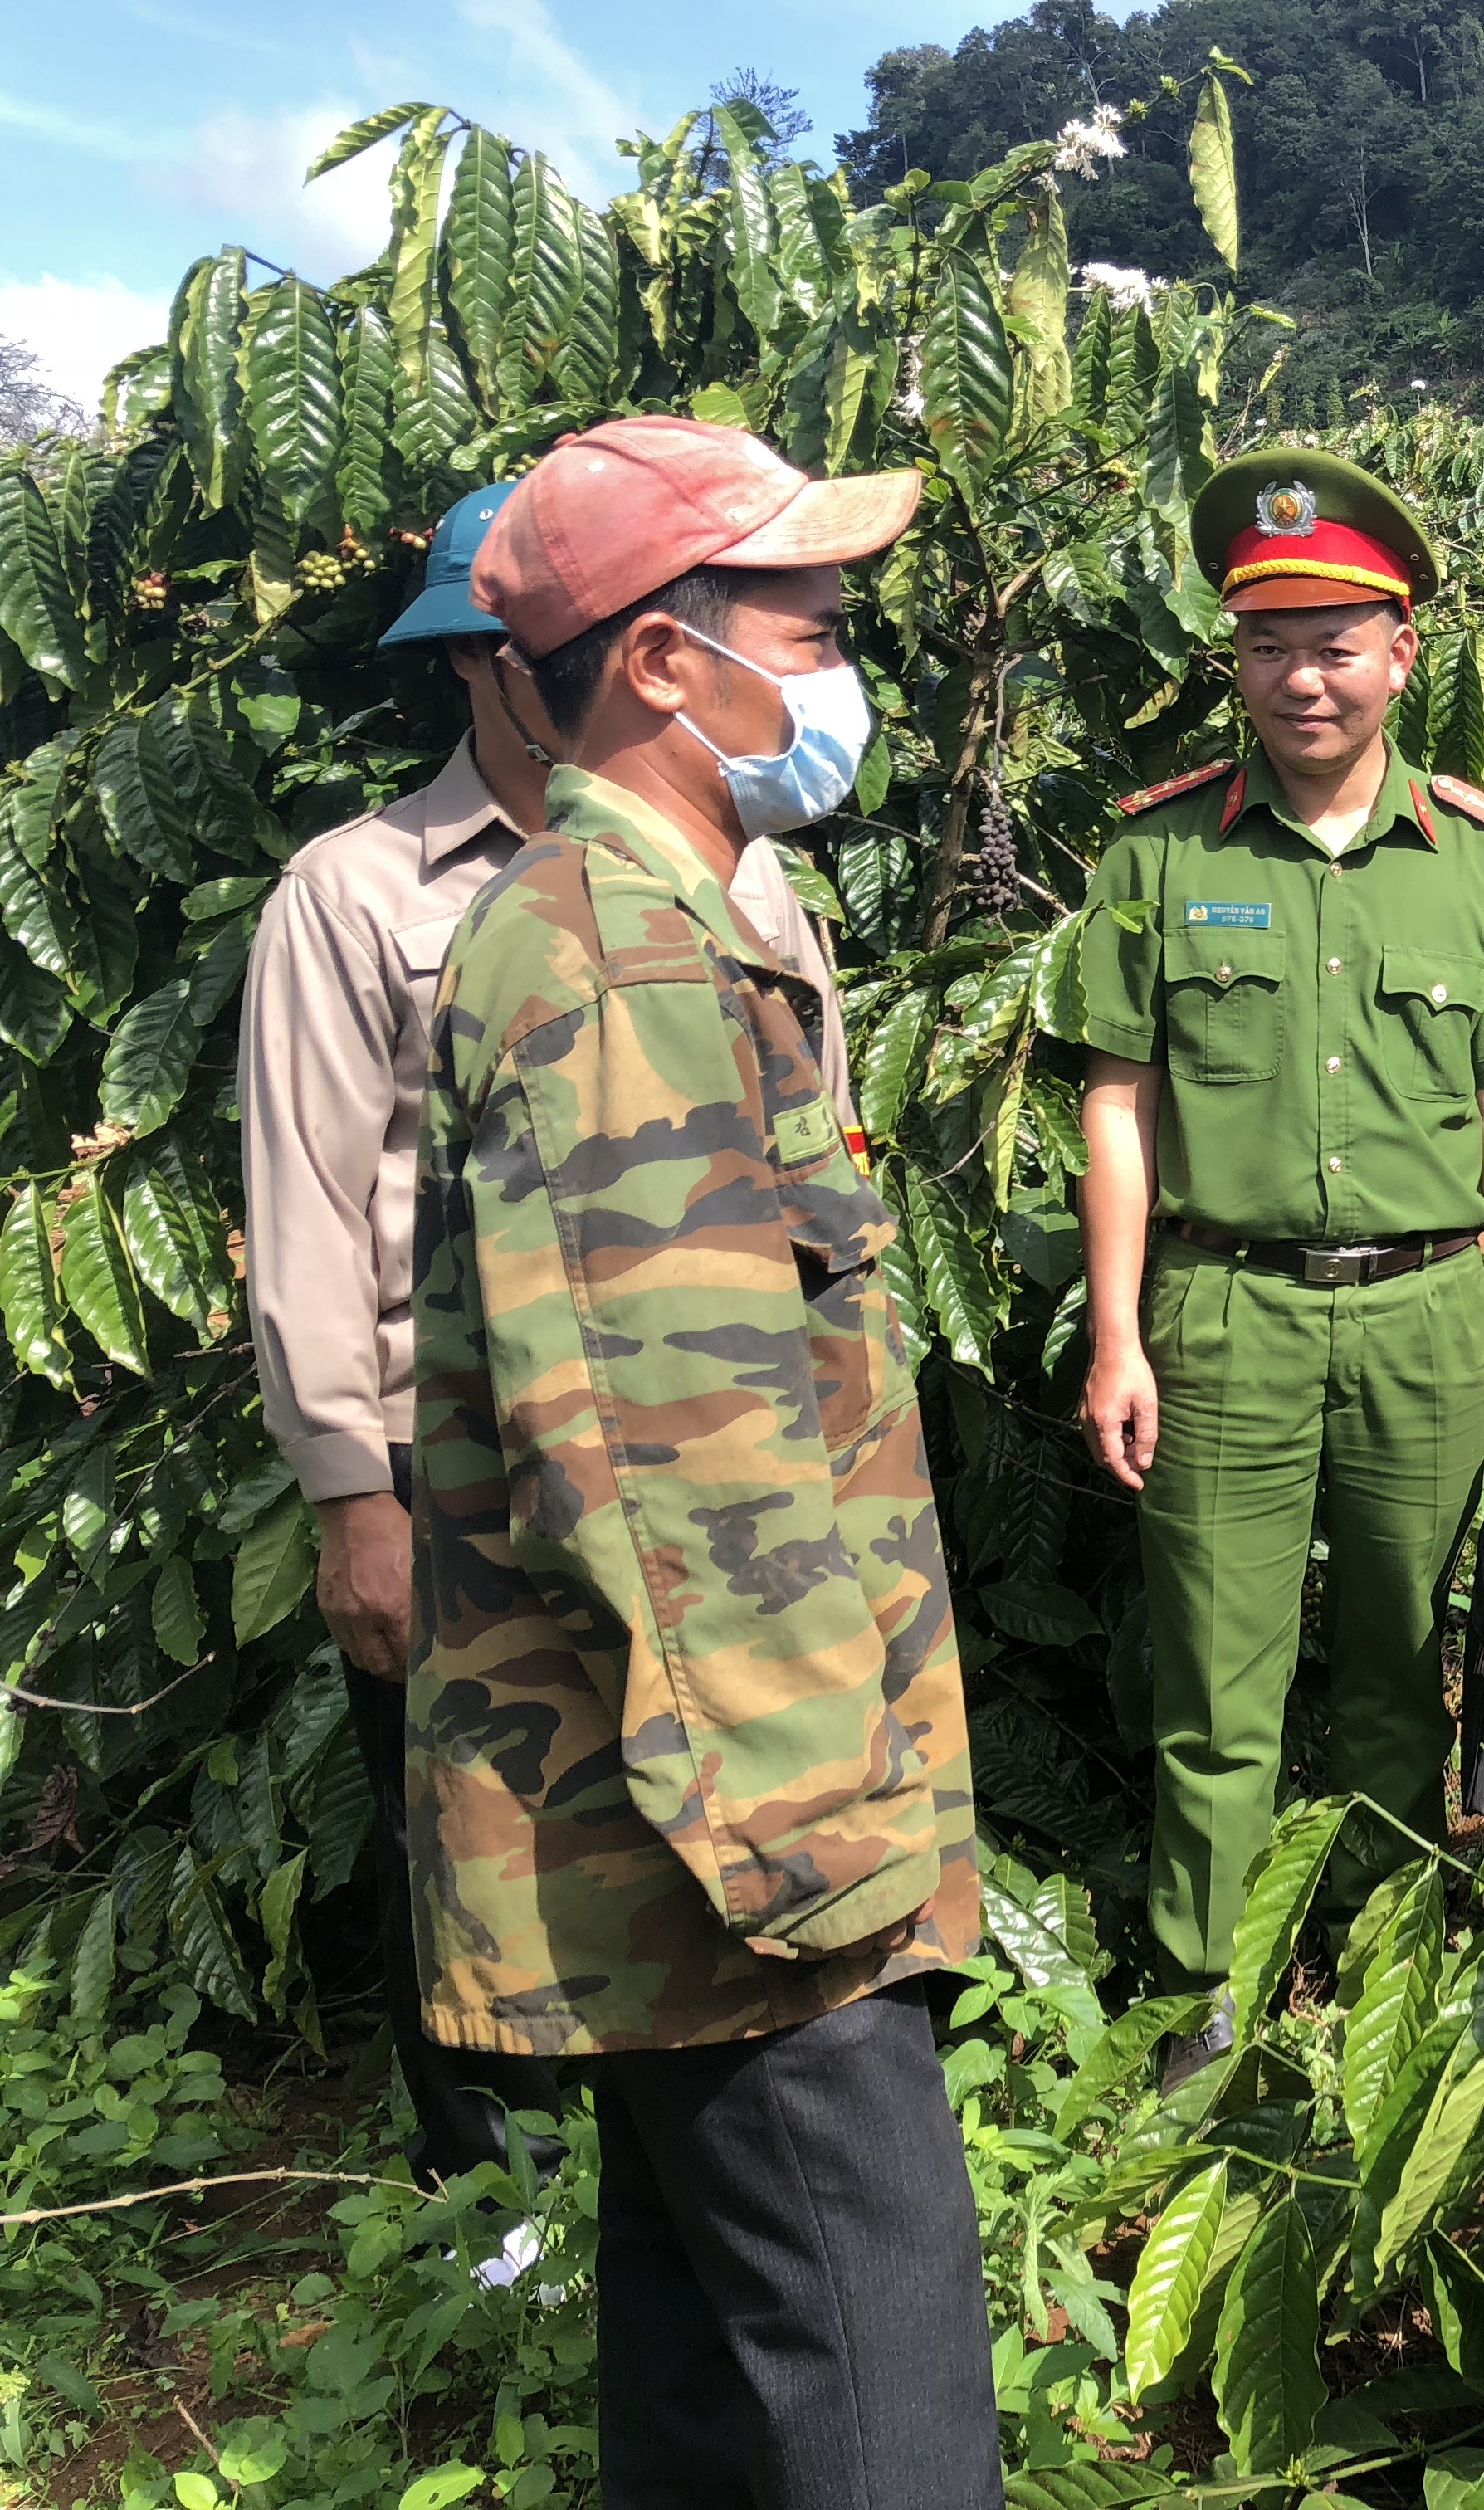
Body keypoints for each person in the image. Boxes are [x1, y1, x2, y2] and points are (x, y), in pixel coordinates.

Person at [417, 416, 996, 2506]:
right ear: (666, 663)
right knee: (876, 2370)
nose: (843, 664)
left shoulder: (660, 919)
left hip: (694, 1836)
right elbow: (668, 1471)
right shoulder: (612, 953)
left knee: (708, 2375)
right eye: (811, 624)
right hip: (742, 1844)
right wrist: (818, 1851)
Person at [238, 485, 859, 2242]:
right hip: (471, 1486)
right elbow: (305, 1207)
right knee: (488, 1839)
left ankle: (661, 2201)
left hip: (705, 1481)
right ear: (497, 672)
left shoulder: (737, 873)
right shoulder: (361, 894)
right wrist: (352, 1494)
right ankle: (498, 2214)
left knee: (673, 1856)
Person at [1072, 452, 1484, 2064]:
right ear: (1232, 658)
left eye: (1337, 641)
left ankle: (1381, 1966)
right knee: (1216, 1695)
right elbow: (1119, 1106)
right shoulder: (1160, 856)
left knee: (1394, 1666)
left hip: (1434, 1314)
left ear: (1401, 653)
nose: (1304, 676)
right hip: (1221, 1312)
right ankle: (1200, 2001)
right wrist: (1117, 1336)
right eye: (1270, 642)